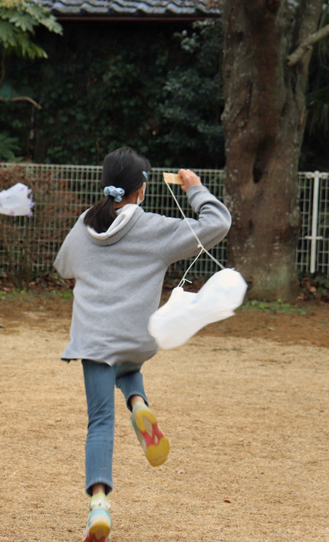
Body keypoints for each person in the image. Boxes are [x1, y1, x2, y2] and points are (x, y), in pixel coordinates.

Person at [53, 147, 231, 542]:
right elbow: (218, 223)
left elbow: (63, 265)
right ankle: (138, 404)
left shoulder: (86, 223)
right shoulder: (154, 227)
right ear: (143, 188)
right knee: (130, 366)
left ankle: (99, 506)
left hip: (95, 340)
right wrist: (196, 189)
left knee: (99, 423)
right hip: (135, 339)